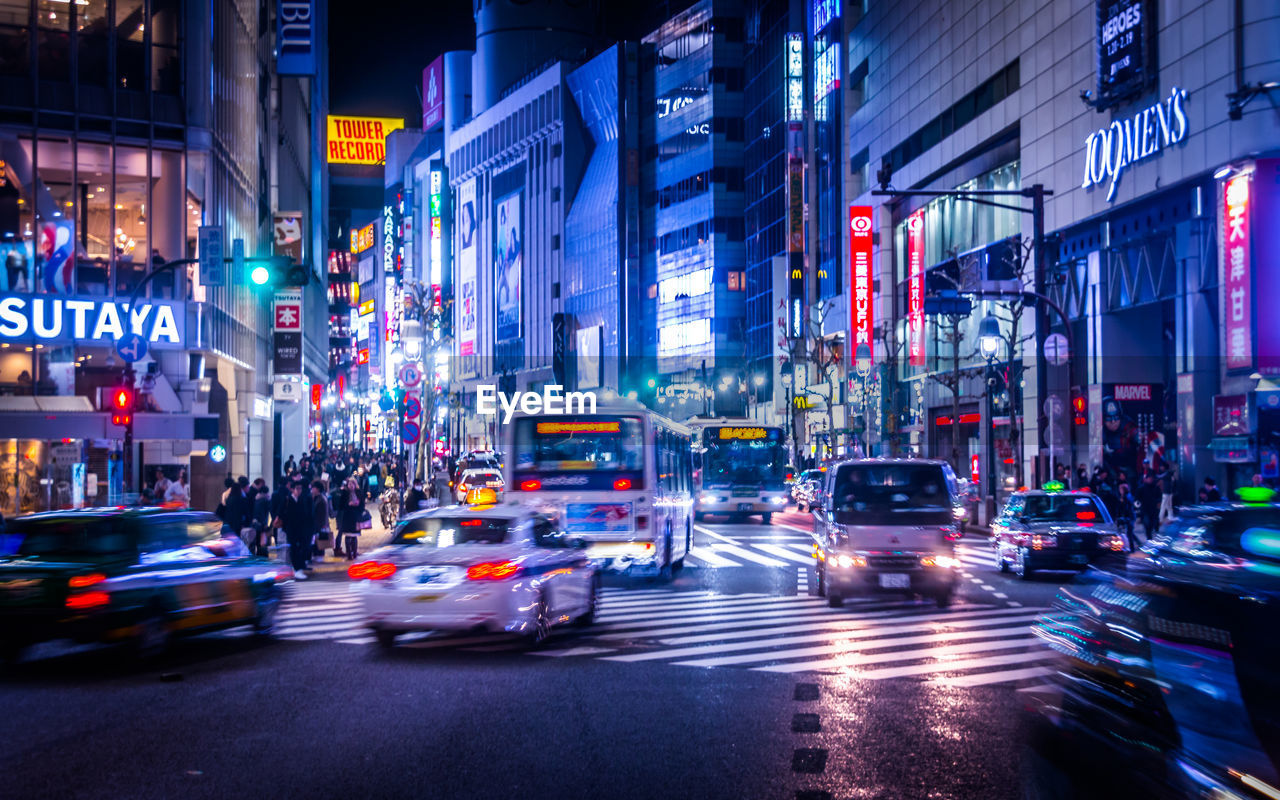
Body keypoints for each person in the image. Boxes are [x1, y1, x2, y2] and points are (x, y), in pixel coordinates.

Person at [282, 481, 313, 579]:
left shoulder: (302, 499)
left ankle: (298, 568)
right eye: (297, 488)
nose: (299, 491)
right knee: (294, 549)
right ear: (292, 489)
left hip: (301, 530)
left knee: (300, 549)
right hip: (291, 530)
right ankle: (296, 570)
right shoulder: (287, 500)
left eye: (300, 488)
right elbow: (283, 515)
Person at [336, 478, 365, 560]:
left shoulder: (359, 493)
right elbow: (341, 506)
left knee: (354, 536)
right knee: (348, 536)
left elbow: (362, 506)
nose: (351, 486)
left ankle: (355, 553)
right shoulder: (345, 494)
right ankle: (349, 554)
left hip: (355, 517)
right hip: (347, 517)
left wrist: (357, 505)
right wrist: (349, 504)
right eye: (349, 484)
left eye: (352, 484)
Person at [1136, 474, 1163, 539]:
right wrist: (1137, 507)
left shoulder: (1155, 488)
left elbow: (1159, 496)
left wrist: (1158, 503)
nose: (1150, 480)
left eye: (1151, 478)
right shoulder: (1141, 488)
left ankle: (1151, 532)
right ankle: (1149, 536)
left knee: (1152, 522)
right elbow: (1137, 498)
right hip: (1144, 508)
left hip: (1153, 508)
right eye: (1149, 478)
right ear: (1145, 479)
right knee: (1147, 523)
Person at [311, 479, 332, 560]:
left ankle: (319, 561)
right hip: (319, 526)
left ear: (317, 489)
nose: (312, 489)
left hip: (319, 527)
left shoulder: (321, 499)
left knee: (319, 546)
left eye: (313, 488)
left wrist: (319, 527)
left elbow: (321, 515)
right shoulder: (319, 498)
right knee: (318, 546)